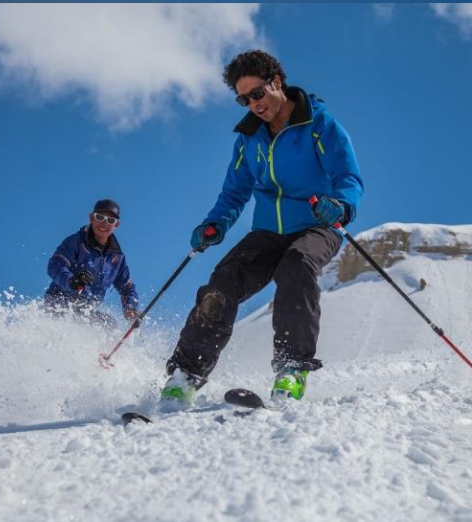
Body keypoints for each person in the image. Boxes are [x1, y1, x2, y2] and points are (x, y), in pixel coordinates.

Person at [160, 50, 364, 409]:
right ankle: (185, 376)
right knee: (222, 282)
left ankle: (292, 369)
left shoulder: (319, 124)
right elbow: (235, 192)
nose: (254, 104)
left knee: (296, 267)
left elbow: (347, 176)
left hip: (318, 223)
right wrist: (214, 223)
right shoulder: (248, 138)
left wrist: (341, 205)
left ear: (277, 83)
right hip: (268, 232)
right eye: (244, 99)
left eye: (257, 93)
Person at [45, 199, 140, 329]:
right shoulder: (76, 242)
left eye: (110, 220)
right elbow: (55, 266)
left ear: (116, 224)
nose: (104, 223)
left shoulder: (117, 258)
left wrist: (131, 310)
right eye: (100, 217)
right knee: (72, 321)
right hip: (59, 302)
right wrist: (72, 280)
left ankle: (104, 345)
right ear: (91, 218)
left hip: (84, 310)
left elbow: (127, 289)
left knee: (109, 325)